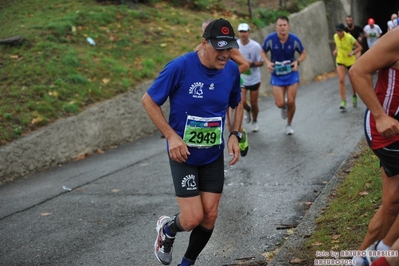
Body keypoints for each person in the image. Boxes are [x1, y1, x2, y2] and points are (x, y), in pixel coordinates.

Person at [142, 18, 243, 266]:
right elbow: (149, 100)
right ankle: (167, 229)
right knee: (192, 219)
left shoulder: (231, 70)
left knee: (210, 215)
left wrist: (234, 134)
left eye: (229, 48)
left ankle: (186, 264)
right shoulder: (180, 67)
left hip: (211, 156)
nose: (225, 54)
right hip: (183, 154)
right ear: (203, 44)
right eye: (219, 48)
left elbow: (237, 101)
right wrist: (171, 136)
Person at [348, 24, 399, 266]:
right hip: (386, 131)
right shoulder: (397, 38)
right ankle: (383, 252)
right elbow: (357, 71)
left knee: (392, 205)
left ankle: (359, 260)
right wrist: (380, 116)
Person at [195, 19, 250, 156]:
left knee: (232, 125)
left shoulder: (228, 47)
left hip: (230, 85)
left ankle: (241, 137)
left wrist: (228, 75)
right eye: (206, 31)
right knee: (215, 122)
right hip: (212, 88)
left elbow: (245, 65)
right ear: (203, 34)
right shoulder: (197, 49)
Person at [260, 15, 307, 135]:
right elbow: (262, 51)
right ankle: (283, 107)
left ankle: (289, 124)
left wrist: (297, 61)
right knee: (280, 103)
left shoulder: (294, 39)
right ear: (276, 27)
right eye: (280, 25)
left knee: (291, 101)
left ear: (288, 26)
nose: (282, 28)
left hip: (291, 73)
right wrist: (268, 62)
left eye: (284, 25)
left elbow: (303, 53)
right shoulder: (270, 39)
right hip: (277, 74)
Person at [236, 22, 264, 132]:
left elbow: (261, 62)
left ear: (249, 33)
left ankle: (255, 121)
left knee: (254, 102)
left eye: (245, 32)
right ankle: (247, 110)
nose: (243, 34)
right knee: (242, 102)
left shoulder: (255, 46)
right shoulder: (235, 46)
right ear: (238, 33)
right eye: (241, 32)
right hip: (242, 78)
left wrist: (250, 64)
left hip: (254, 78)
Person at [332, 23, 362, 110]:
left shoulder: (349, 37)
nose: (338, 33)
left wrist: (352, 53)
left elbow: (359, 47)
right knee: (341, 80)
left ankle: (354, 95)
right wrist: (335, 50)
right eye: (337, 31)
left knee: (352, 81)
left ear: (343, 31)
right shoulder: (335, 36)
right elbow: (337, 45)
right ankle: (343, 101)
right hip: (340, 60)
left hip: (350, 61)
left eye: (340, 31)